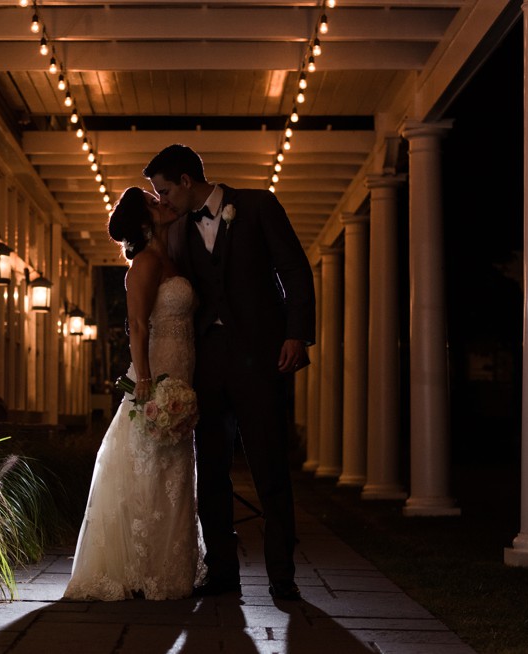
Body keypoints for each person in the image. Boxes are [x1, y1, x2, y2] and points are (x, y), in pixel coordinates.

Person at [144, 144, 316, 601]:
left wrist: (296, 334)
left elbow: (295, 271)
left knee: (270, 467)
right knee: (211, 469)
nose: (161, 200)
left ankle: (282, 576)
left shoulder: (259, 205)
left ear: (186, 180)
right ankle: (223, 572)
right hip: (206, 363)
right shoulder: (177, 227)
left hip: (261, 359)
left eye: (163, 190)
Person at [63, 186, 205, 601]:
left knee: (175, 473)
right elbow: (138, 326)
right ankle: (138, 568)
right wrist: (145, 381)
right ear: (143, 220)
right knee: (147, 468)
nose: (160, 201)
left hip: (183, 373)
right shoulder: (144, 263)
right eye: (151, 200)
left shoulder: (172, 257)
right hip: (156, 377)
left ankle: (169, 566)